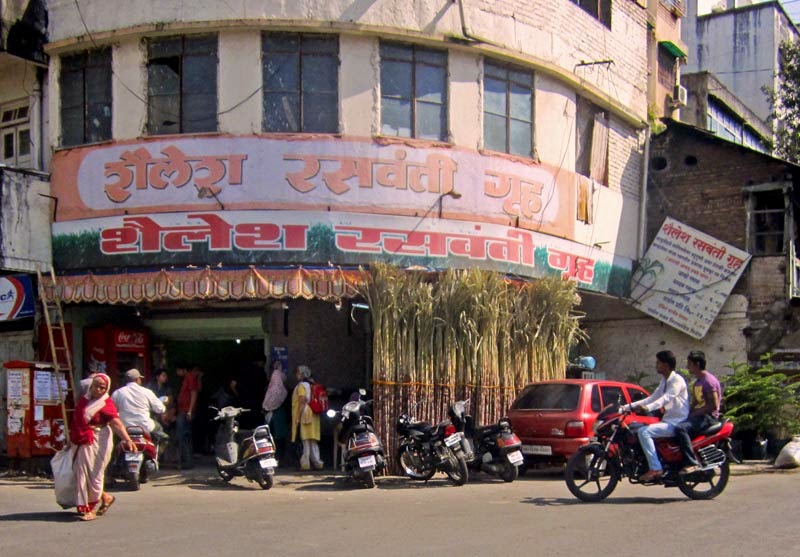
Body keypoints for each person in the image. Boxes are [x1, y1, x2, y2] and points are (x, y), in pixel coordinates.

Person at [70, 373, 137, 521]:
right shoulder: (84, 400)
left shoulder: (106, 403)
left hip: (98, 439)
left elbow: (116, 423)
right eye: (96, 386)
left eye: (103, 387)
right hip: (81, 440)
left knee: (95, 475)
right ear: (91, 386)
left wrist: (127, 439)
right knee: (81, 473)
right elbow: (77, 421)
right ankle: (105, 497)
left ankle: (91, 508)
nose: (99, 390)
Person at [621, 350, 689, 482]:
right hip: (668, 420)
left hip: (676, 422)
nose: (656, 365)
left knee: (644, 432)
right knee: (636, 427)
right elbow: (652, 398)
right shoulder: (665, 380)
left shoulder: (677, 380)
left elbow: (666, 398)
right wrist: (627, 407)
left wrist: (648, 408)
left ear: (666, 365)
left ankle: (655, 468)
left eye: (658, 362)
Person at [675, 350, 723, 474]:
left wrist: (695, 414)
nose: (687, 367)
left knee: (681, 429)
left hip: (708, 417)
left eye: (689, 364)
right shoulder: (698, 382)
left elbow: (713, 405)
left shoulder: (708, 381)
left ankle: (692, 463)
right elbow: (696, 402)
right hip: (699, 416)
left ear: (697, 364)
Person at [111, 368, 167, 439]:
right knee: (159, 428)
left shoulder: (117, 393)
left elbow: (112, 412)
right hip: (145, 427)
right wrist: (163, 408)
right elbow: (160, 409)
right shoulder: (147, 392)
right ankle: (156, 449)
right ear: (137, 379)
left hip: (124, 428)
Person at [291, 365, 323, 470]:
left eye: (298, 373)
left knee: (305, 440)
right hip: (313, 413)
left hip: (305, 413)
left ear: (302, 374)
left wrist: (297, 417)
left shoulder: (301, 386)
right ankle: (317, 463)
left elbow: (302, 401)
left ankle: (305, 464)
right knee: (312, 440)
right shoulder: (311, 384)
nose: (296, 375)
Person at [176, 363, 202, 469]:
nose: (177, 373)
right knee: (185, 436)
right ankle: (187, 460)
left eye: (178, 371)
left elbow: (194, 393)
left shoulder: (190, 378)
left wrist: (190, 411)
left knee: (183, 436)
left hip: (186, 410)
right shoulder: (188, 378)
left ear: (183, 370)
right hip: (184, 410)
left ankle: (187, 461)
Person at [233, 354, 268, 429]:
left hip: (243, 404)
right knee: (255, 429)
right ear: (261, 362)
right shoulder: (261, 371)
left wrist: (238, 395)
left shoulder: (242, 369)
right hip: (256, 405)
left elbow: (232, 384)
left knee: (243, 428)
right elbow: (266, 388)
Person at [263, 360, 289, 461]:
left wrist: (267, 407)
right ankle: (278, 458)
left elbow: (274, 396)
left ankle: (276, 457)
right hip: (277, 415)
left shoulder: (276, 387)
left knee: (274, 437)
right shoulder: (282, 389)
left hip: (275, 414)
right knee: (277, 437)